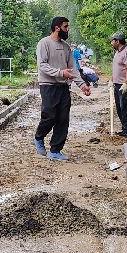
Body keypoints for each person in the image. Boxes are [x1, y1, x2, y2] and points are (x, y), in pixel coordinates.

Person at [34, 16, 88, 160]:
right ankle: (39, 137)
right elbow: (42, 65)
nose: (67, 29)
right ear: (57, 27)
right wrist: (60, 73)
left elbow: (72, 68)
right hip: (48, 86)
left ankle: (55, 150)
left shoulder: (66, 47)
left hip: (63, 87)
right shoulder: (44, 43)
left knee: (63, 119)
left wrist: (82, 85)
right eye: (65, 26)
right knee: (49, 116)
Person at [110, 32, 127, 136]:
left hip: (124, 85)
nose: (111, 43)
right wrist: (112, 80)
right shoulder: (117, 52)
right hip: (116, 84)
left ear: (117, 41)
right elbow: (116, 67)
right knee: (119, 108)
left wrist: (126, 83)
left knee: (124, 107)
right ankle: (124, 128)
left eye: (112, 41)